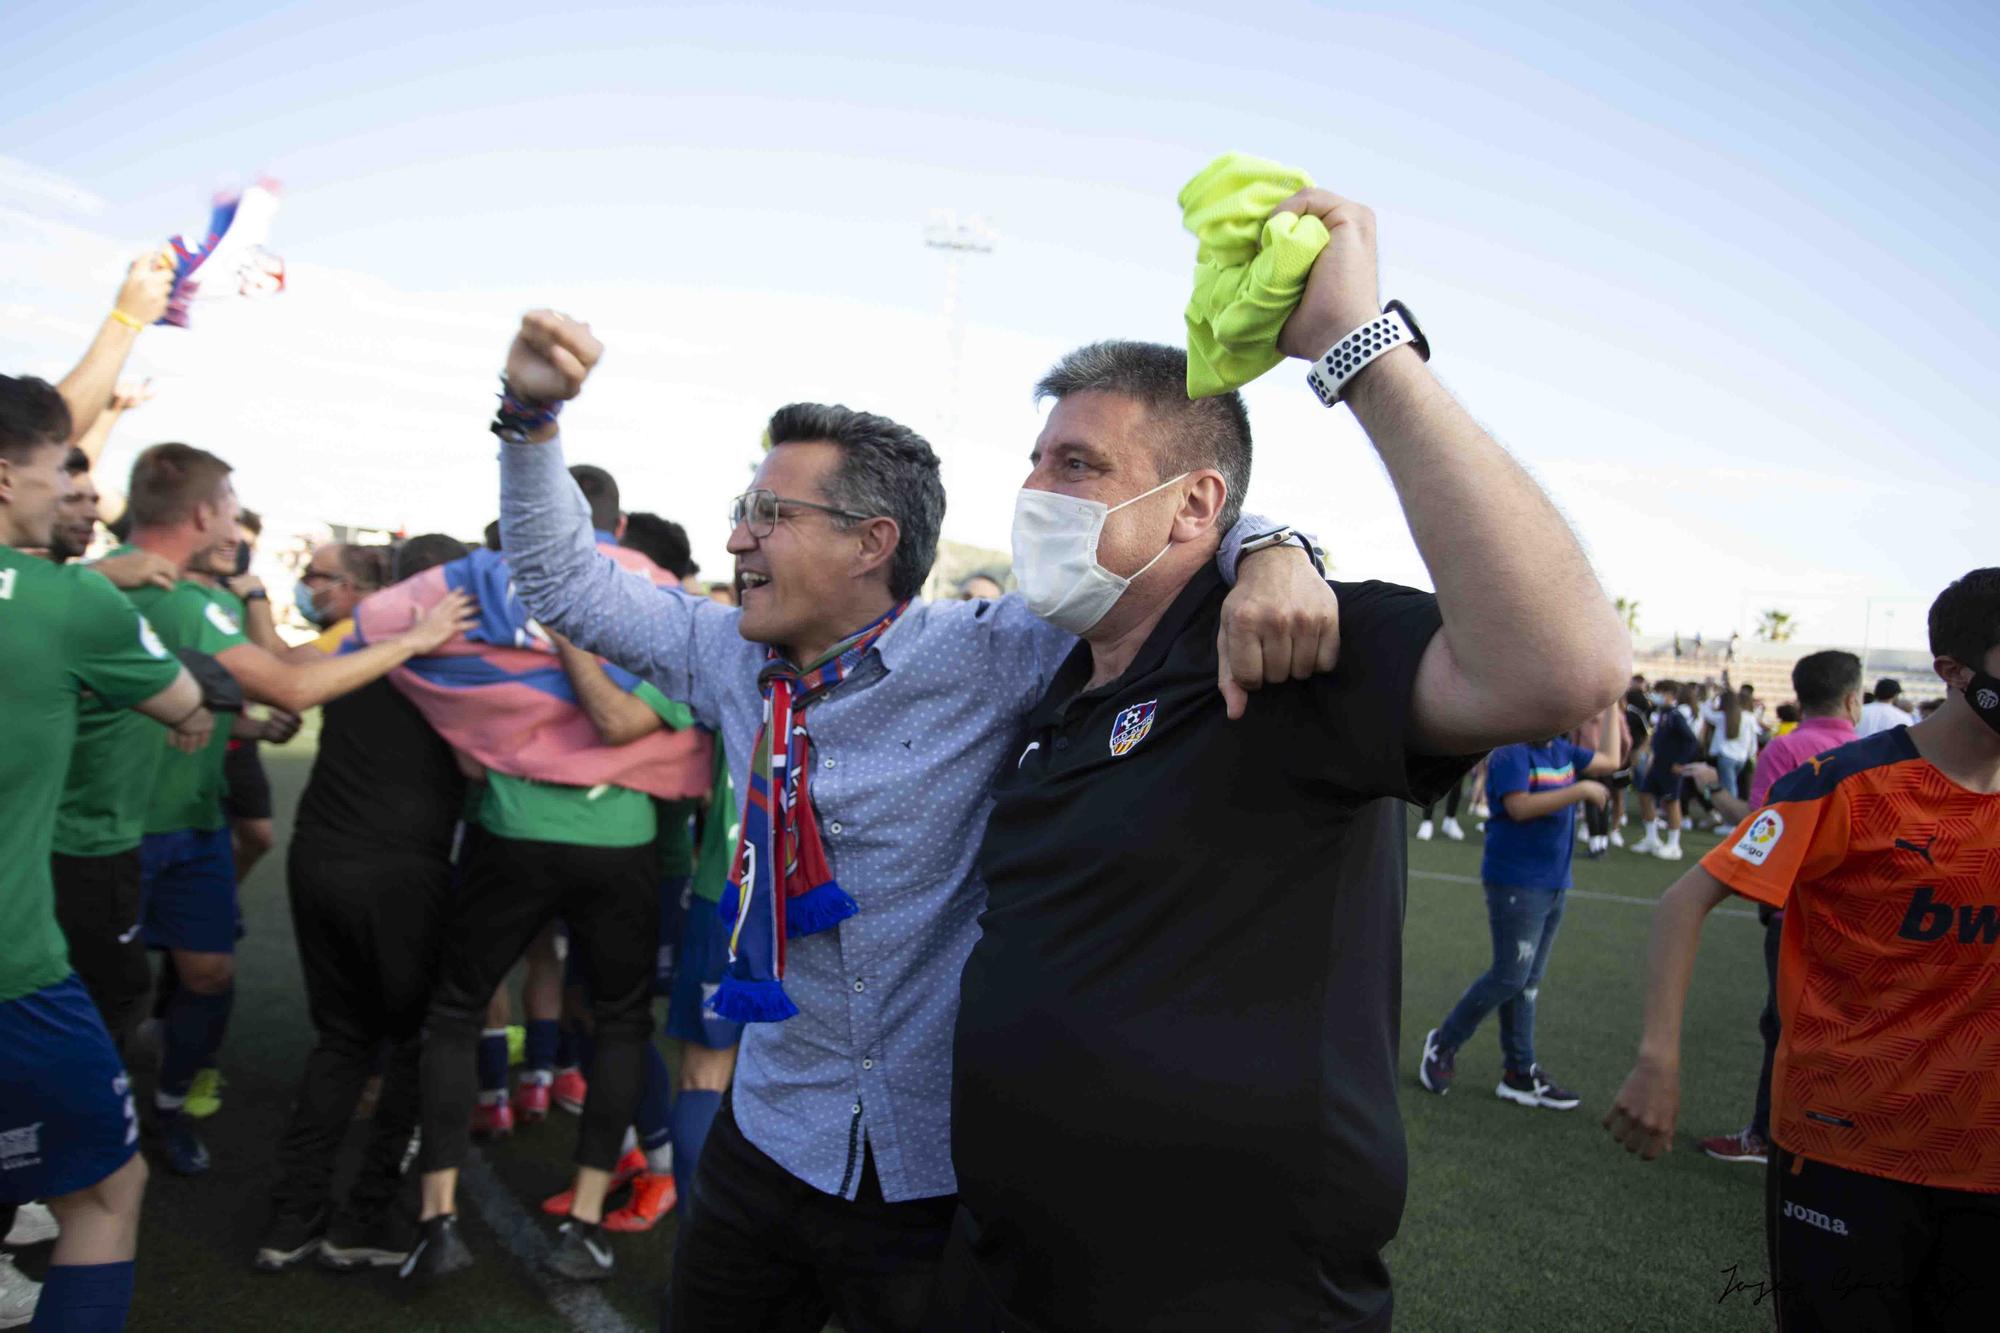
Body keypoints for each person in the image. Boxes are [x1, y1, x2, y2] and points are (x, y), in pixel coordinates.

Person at [494, 309, 1341, 1325]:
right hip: (766, 1132)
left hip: (928, 1173)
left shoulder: (996, 651)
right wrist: (529, 417)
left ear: (871, 543)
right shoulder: (723, 654)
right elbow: (557, 577)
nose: (735, 538)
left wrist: (1273, 544)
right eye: (741, 507)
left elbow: (1162, 569)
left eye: (769, 512)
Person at [939, 178, 1631, 1331]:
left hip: (1226, 1288)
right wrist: (1273, 538)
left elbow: (1564, 669)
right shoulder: (1052, 676)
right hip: (1010, 1257)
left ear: (1192, 502)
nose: (1031, 492)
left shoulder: (1285, 648)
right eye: (1034, 460)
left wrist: (1360, 353)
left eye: (1074, 464)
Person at [1606, 569, 2000, 1333]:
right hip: (1845, 1149)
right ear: (1953, 672)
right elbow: (1685, 899)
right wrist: (1658, 1059)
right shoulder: (1845, 782)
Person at [107, 442, 473, 1176]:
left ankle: (170, 1109)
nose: (241, 522)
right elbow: (292, 684)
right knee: (104, 998)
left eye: (323, 576)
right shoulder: (108, 590)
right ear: (207, 511)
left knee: (209, 973)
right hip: (100, 833)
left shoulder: (203, 599)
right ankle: (89, 1135)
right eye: (233, 504)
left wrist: (237, 721)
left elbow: (227, 685)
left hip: (198, 819)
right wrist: (416, 639)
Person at [404, 467, 713, 1285]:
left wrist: (560, 628)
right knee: (613, 1022)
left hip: (521, 828)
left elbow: (476, 726)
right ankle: (580, 1219)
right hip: (613, 839)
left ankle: (436, 1216)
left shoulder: (547, 597)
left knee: (461, 1008)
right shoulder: (657, 614)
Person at [1, 373, 214, 1333]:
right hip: (14, 972)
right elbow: (182, 701)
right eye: (56, 470)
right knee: (105, 1189)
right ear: (8, 479)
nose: (70, 491)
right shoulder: (64, 601)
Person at [254, 534, 474, 1274]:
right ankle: (364, 1215)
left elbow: (284, 676)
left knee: (341, 1038)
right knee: (412, 1043)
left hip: (319, 856)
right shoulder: (457, 656)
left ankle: (290, 1218)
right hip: (399, 872)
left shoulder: (357, 639)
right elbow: (482, 764)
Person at [1693, 649, 1861, 1167]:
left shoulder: (1788, 750)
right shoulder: (1871, 752)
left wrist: (1713, 788)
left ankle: (1768, 1134)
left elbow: (1759, 829)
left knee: (1783, 1025)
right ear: (1852, 699)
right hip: (1859, 918)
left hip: (1797, 916)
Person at [1418, 714, 1623, 1109]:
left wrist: (1613, 704)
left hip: (1553, 881)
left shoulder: (1561, 749)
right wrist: (1579, 791)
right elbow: (1519, 807)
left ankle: (1519, 1071)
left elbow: (1611, 761)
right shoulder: (1511, 752)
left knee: (1527, 982)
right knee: (1509, 975)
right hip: (1516, 881)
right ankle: (1443, 1043)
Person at [1630, 680, 1700, 860]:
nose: (1655, 695)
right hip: (1658, 764)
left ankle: (1674, 844)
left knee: (1671, 802)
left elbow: (1691, 740)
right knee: (1645, 795)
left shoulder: (1676, 715)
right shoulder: (1663, 714)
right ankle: (1651, 838)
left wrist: (1680, 762)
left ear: (1669, 694)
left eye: (1659, 692)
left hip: (1671, 766)